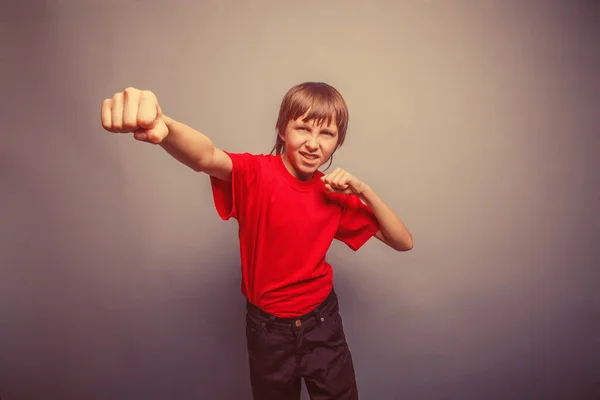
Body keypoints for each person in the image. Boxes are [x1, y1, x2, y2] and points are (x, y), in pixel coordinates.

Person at [101, 82, 413, 399]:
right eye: (303, 128)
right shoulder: (256, 173)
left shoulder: (336, 195)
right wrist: (164, 125)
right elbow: (206, 156)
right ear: (282, 129)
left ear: (338, 142)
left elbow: (402, 241)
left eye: (326, 134)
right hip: (268, 331)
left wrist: (364, 191)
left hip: (322, 323)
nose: (313, 144)